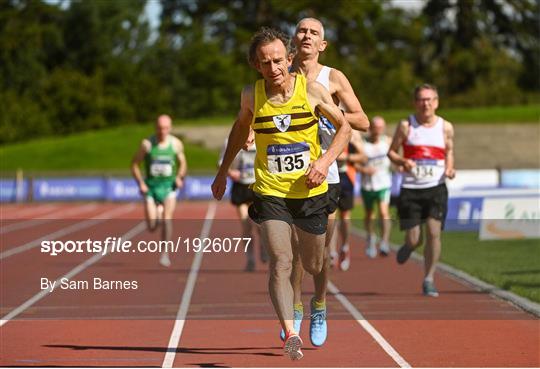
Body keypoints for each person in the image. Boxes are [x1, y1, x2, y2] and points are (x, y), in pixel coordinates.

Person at [212, 27, 351, 360]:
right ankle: (291, 332)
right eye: (264, 63)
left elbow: (344, 128)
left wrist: (323, 161)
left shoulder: (313, 91)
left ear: (289, 59)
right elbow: (239, 129)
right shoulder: (251, 95)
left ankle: (318, 303)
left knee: (315, 264)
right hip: (271, 192)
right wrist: (221, 173)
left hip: (310, 191)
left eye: (277, 61)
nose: (272, 68)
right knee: (280, 262)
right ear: (256, 66)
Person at [282, 17, 369, 348]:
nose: (306, 36)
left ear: (322, 45)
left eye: (313, 33)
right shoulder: (281, 76)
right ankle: (295, 307)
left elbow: (360, 118)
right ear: (294, 38)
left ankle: (319, 304)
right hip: (288, 177)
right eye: (302, 30)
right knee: (291, 250)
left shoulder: (332, 77)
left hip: (326, 175)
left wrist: (328, 113)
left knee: (318, 254)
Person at [387, 84, 455, 297]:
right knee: (415, 238)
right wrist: (403, 161)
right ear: (415, 103)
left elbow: (449, 151)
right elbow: (391, 152)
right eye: (421, 100)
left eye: (430, 99)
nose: (426, 103)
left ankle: (429, 278)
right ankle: (409, 246)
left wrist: (450, 167)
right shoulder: (407, 125)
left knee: (434, 234)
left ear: (436, 102)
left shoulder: (445, 127)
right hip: (411, 190)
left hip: (436, 188)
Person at [131, 114, 187, 267]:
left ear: (170, 128)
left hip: (169, 186)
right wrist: (141, 183)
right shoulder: (147, 145)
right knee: (151, 226)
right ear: (155, 127)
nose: (162, 131)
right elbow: (134, 164)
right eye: (159, 128)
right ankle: (158, 210)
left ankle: (165, 253)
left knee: (167, 218)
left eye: (165, 128)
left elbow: (183, 163)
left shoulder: (176, 144)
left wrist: (179, 177)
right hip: (151, 187)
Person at [218, 139, 267, 271]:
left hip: (258, 186)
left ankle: (263, 246)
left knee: (260, 225)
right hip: (241, 186)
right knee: (246, 226)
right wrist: (230, 172)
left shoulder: (261, 135)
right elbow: (222, 163)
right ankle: (250, 258)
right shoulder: (230, 140)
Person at [357, 116, 393, 258]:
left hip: (383, 184)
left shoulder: (387, 142)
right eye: (375, 127)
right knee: (370, 214)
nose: (378, 130)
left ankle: (384, 241)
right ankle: (371, 238)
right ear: (370, 127)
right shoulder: (363, 144)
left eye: (380, 127)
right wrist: (364, 170)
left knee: (384, 213)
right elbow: (355, 164)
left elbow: (395, 155)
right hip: (368, 185)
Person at [334, 130, 365, 271]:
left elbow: (363, 157)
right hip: (328, 176)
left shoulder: (353, 134)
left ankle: (345, 247)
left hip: (347, 177)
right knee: (330, 216)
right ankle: (331, 252)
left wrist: (346, 157)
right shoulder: (321, 126)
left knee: (345, 216)